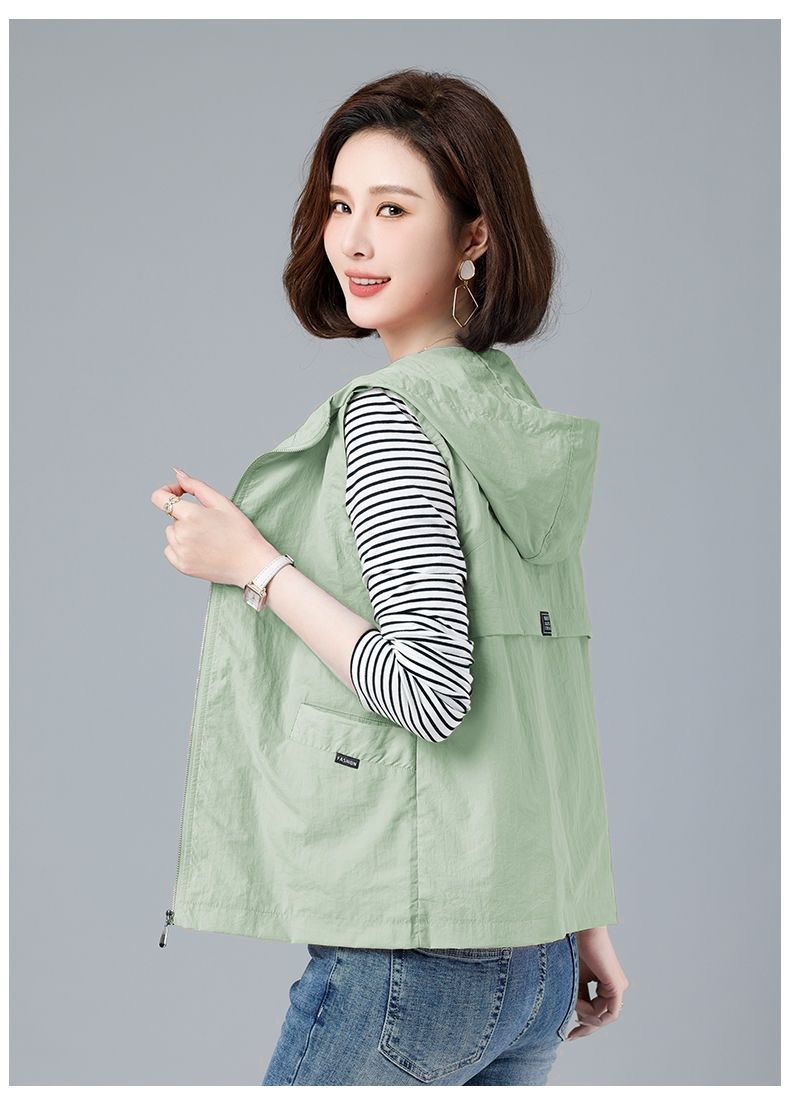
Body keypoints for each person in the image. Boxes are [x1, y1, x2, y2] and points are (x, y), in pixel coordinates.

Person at [151, 68, 629, 1085]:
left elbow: (429, 688)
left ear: (474, 234)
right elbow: (546, 697)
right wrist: (579, 913)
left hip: (417, 954)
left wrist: (254, 566)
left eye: (394, 209)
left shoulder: (392, 418)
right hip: (537, 955)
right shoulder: (506, 415)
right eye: (340, 205)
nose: (353, 242)